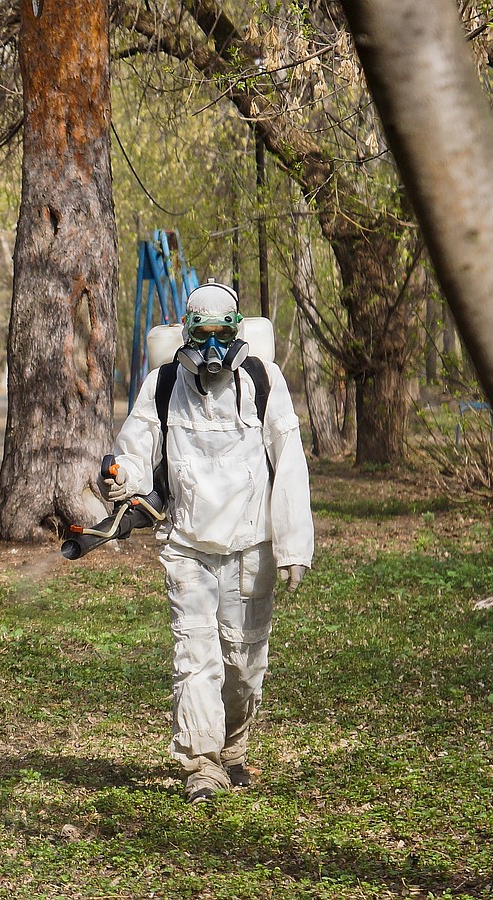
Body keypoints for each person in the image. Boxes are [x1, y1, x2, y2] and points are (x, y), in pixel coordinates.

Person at [102, 281, 314, 803]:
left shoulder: (263, 380)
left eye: (224, 336)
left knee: (243, 665)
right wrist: (121, 476)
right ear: (188, 336)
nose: (214, 350)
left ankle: (234, 746)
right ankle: (203, 762)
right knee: (196, 657)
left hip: (250, 545)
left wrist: (293, 544)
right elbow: (136, 446)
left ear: (237, 333)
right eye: (204, 336)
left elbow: (289, 461)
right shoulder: (163, 382)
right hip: (187, 543)